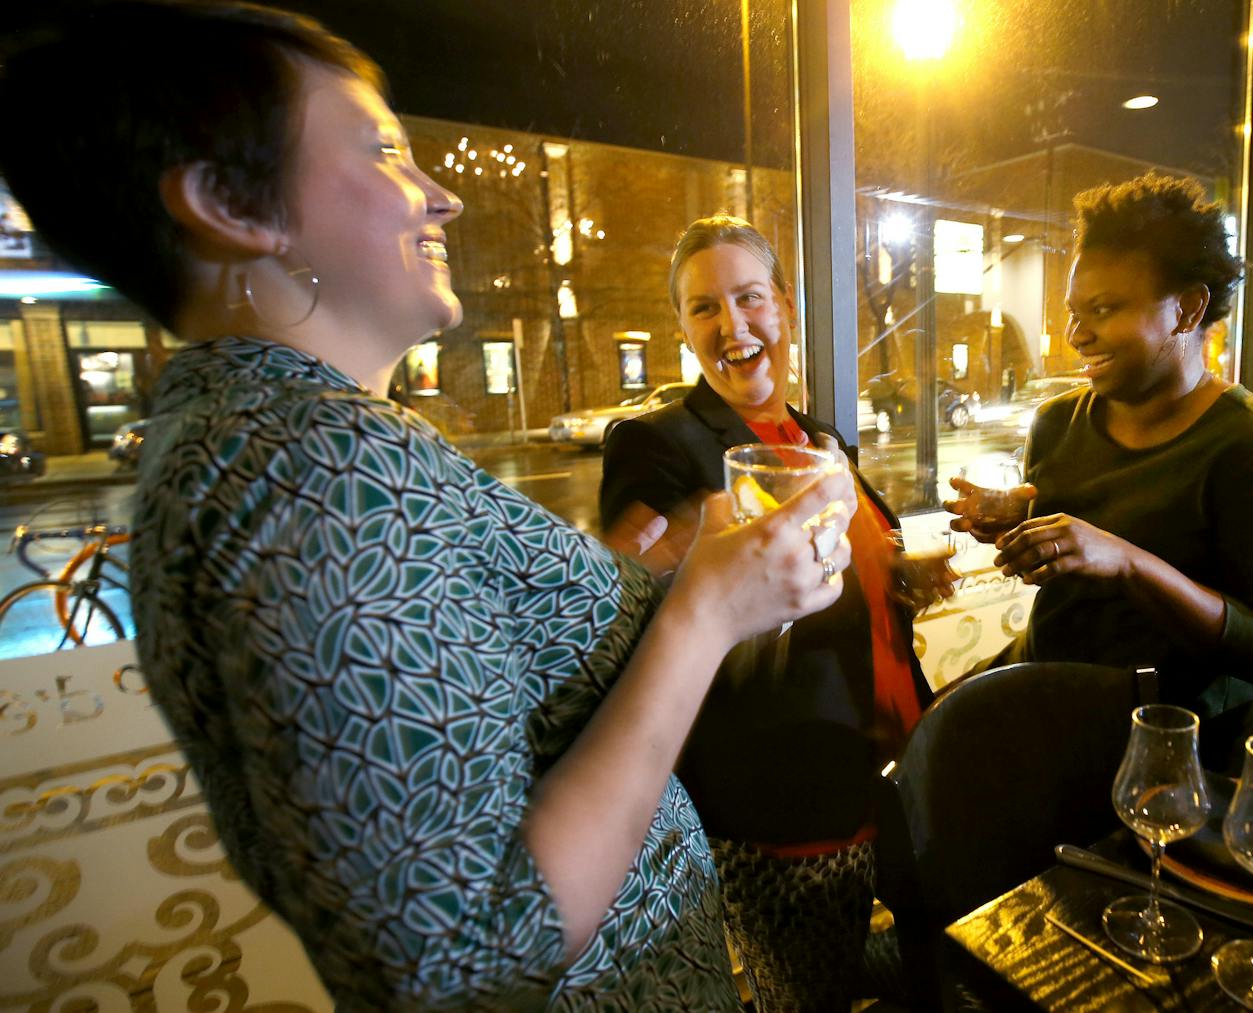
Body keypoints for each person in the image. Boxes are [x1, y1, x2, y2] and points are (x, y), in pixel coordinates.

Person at [0, 5, 859, 1008]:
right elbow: (469, 955)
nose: (440, 196)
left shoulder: (266, 437)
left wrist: (706, 563)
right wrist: (705, 610)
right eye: (383, 152)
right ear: (233, 207)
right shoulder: (309, 470)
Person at [600, 215, 951, 1012]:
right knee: (807, 995)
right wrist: (681, 554)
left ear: (784, 306)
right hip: (788, 800)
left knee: (930, 966)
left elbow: (836, 568)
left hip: (896, 766)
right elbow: (637, 603)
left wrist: (894, 574)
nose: (732, 324)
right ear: (683, 328)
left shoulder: (820, 437)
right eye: (703, 308)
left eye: (749, 297)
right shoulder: (658, 444)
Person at [949, 173, 1253, 725]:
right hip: (1047, 698)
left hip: (1170, 741)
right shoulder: (1057, 423)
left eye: (1102, 310)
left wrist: (1128, 563)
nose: (1077, 333)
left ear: (1189, 309)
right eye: (1074, 310)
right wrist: (1021, 522)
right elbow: (1080, 567)